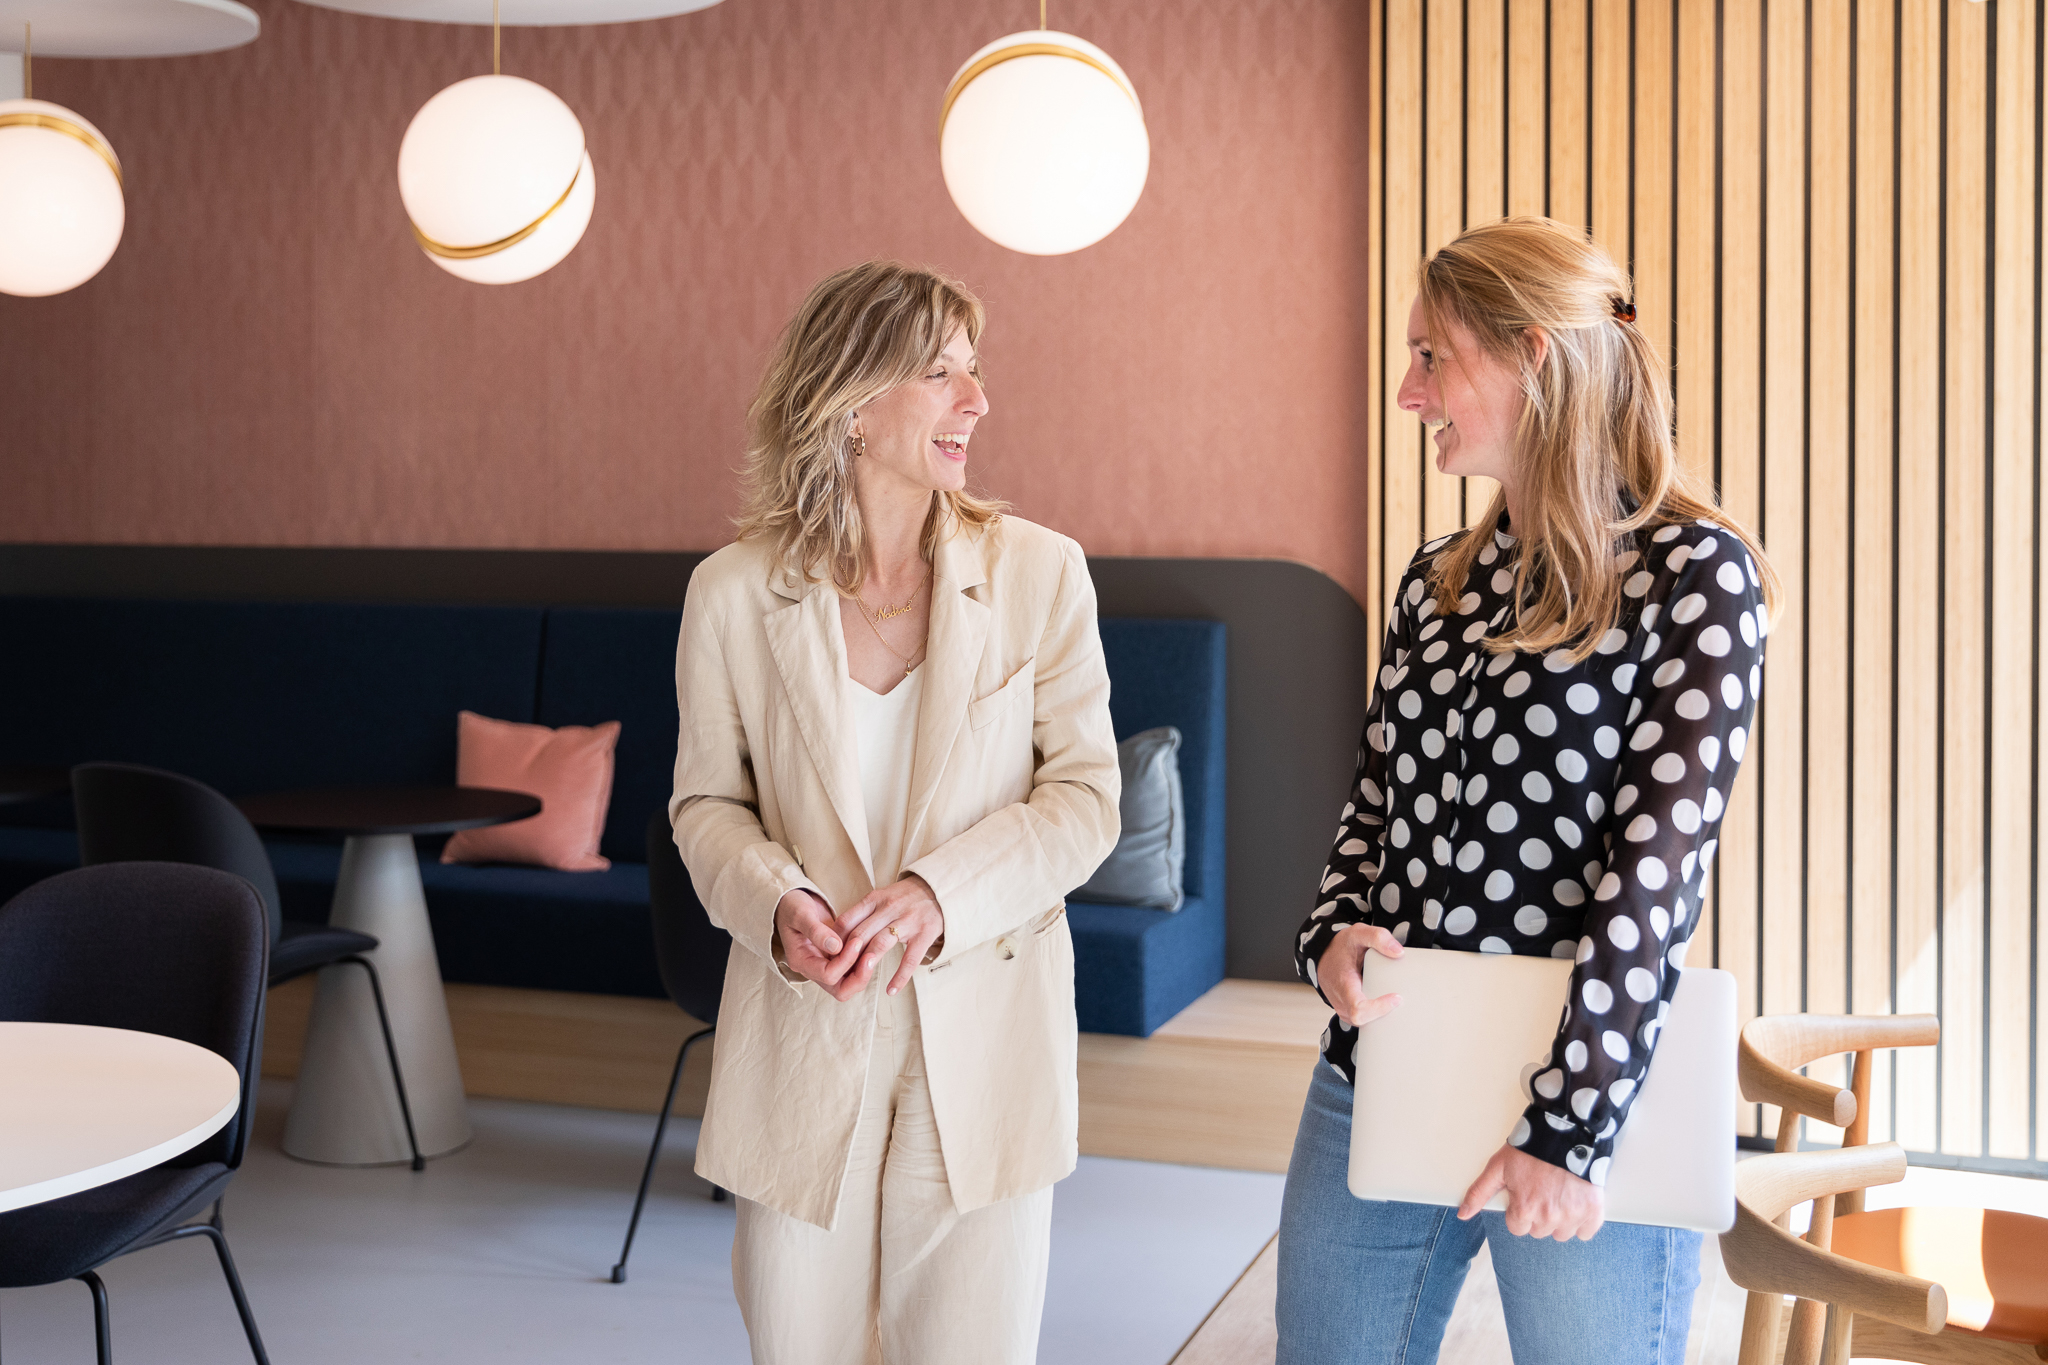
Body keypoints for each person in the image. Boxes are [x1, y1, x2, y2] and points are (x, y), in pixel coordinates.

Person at [1277, 217, 1780, 1365]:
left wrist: (1566, 1131)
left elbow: (1650, 880)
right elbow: (1372, 812)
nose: (1409, 393)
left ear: (1534, 358)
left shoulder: (1697, 577)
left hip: (1589, 1096)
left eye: (1430, 357)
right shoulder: (1431, 583)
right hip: (1385, 1064)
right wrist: (1328, 939)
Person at [668, 259, 1121, 1365]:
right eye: (939, 373)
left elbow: (1085, 799)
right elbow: (704, 805)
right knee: (800, 1345)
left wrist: (936, 895)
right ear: (851, 400)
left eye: (975, 373)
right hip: (802, 1030)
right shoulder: (731, 592)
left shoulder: (1040, 574)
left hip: (986, 1034)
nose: (976, 401)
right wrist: (775, 904)